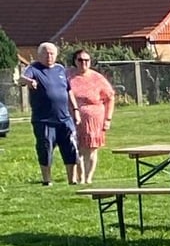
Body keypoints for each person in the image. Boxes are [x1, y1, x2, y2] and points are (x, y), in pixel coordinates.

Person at [15, 42, 78, 187]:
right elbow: (20, 80)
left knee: (71, 147)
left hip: (64, 118)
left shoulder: (60, 69)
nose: (49, 56)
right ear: (39, 55)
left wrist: (75, 109)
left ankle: (72, 180)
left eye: (52, 53)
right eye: (46, 53)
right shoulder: (33, 68)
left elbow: (68, 90)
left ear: (56, 55)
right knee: (45, 148)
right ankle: (47, 180)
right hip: (44, 120)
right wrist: (29, 81)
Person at [66, 50, 116, 186]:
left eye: (86, 60)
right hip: (72, 118)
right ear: (75, 61)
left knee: (91, 149)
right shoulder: (68, 76)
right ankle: (79, 177)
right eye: (80, 60)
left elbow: (110, 97)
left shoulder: (97, 78)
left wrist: (108, 119)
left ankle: (88, 178)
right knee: (76, 148)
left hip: (94, 119)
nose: (84, 63)